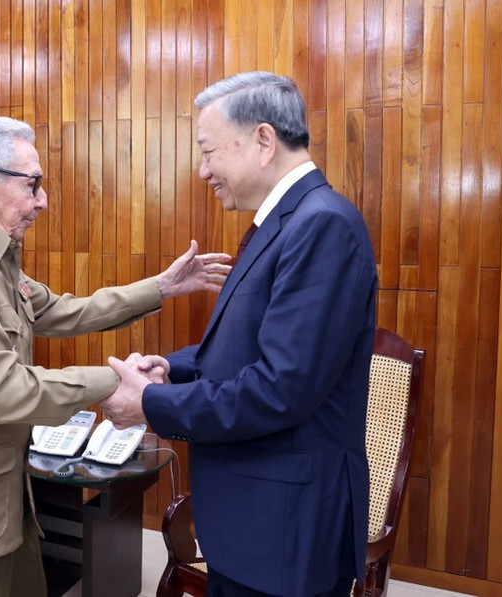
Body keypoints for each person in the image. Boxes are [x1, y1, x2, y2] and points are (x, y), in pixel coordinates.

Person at [0, 115, 231, 597]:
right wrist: (118, 382)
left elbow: (61, 311)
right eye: (33, 184)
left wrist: (161, 287)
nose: (42, 200)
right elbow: (0, 391)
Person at [102, 71, 378, 597]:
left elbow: (281, 390)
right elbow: (249, 346)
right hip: (252, 519)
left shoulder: (322, 225)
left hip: (284, 530)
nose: (203, 170)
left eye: (209, 151)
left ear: (263, 140)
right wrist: (172, 367)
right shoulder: (284, 222)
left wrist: (154, 404)